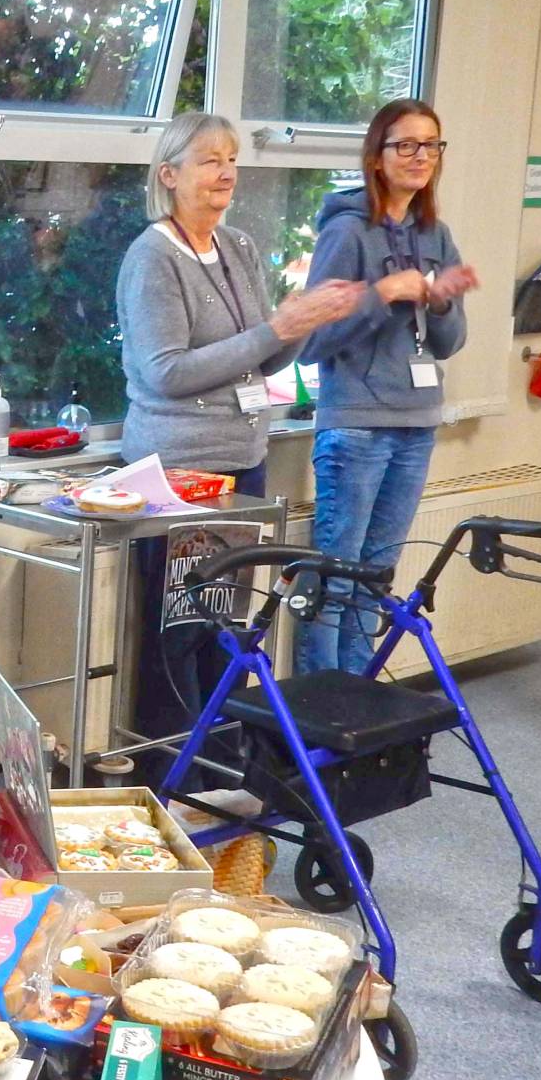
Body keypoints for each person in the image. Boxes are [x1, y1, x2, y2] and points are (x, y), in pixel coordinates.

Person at [116, 112, 365, 778]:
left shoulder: (242, 249)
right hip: (180, 472)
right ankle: (170, 774)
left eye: (231, 159)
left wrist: (303, 322)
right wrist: (274, 330)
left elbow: (266, 361)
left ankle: (221, 765)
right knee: (181, 626)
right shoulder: (151, 257)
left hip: (241, 462)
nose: (226, 172)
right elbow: (164, 371)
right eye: (208, 160)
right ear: (169, 176)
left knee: (225, 625)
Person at [296, 99, 479, 675]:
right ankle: (315, 711)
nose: (420, 157)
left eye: (432, 145)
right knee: (335, 578)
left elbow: (447, 343)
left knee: (376, 578)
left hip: (416, 424)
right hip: (355, 426)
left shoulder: (436, 234)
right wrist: (383, 294)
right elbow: (309, 340)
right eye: (406, 145)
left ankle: (357, 705)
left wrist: (441, 298)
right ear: (377, 157)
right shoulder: (348, 232)